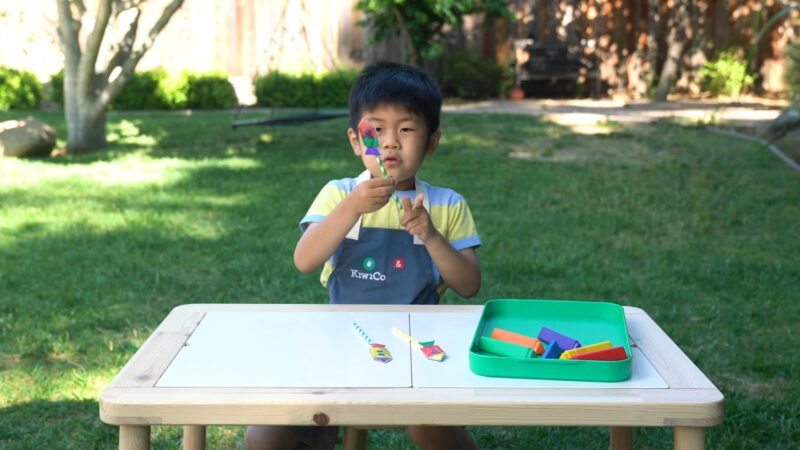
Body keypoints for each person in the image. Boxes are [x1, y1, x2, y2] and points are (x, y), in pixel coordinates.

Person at [245, 62, 481, 450]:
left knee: (431, 427)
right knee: (265, 435)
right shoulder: (339, 195)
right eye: (376, 131)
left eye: (406, 129)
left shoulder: (446, 204)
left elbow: (469, 285)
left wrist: (431, 234)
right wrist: (352, 208)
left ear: (431, 142)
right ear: (356, 141)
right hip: (340, 346)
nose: (390, 143)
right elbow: (304, 260)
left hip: (420, 352)